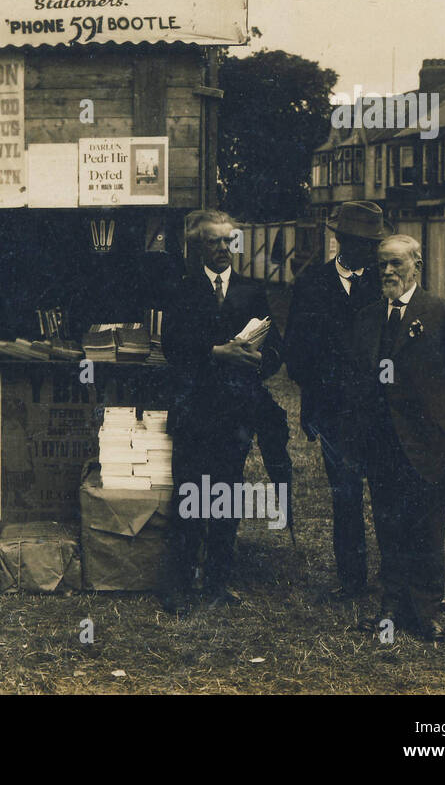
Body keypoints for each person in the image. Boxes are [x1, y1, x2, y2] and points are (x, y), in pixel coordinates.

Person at [352, 234, 445, 643]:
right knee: (388, 524)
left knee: (427, 526)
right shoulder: (369, 317)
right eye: (382, 265)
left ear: (416, 265)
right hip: (382, 444)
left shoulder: (444, 315)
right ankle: (391, 604)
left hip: (430, 443)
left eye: (396, 264)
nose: (388, 272)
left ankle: (425, 610)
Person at [162, 210, 285, 606]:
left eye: (228, 241)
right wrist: (218, 352)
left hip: (235, 413)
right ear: (199, 245)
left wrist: (256, 361)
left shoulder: (252, 292)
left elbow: (276, 352)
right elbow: (172, 348)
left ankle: (217, 583)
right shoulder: (181, 289)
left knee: (226, 497)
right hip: (193, 410)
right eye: (213, 241)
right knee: (188, 496)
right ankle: (181, 586)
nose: (222, 248)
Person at [284, 202, 387, 598]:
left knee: (386, 494)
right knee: (345, 495)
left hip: (381, 411)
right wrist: (322, 392)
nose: (367, 251)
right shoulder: (311, 284)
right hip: (332, 413)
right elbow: (295, 353)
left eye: (372, 244)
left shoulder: (384, 283)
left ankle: (394, 578)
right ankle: (352, 581)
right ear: (340, 240)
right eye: (359, 242)